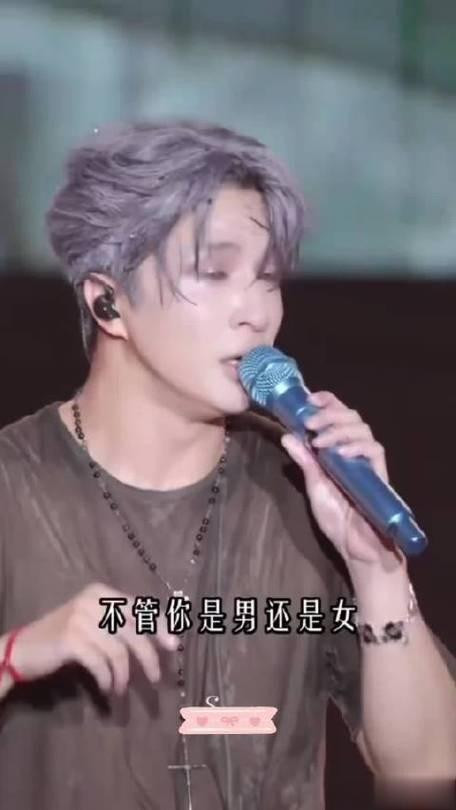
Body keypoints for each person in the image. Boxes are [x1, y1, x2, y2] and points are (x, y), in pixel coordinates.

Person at [0, 121, 454, 810]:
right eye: (214, 273)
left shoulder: (304, 488)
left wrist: (378, 572)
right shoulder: (14, 487)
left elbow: (430, 772)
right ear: (108, 301)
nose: (255, 313)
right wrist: (15, 655)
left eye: (267, 278)